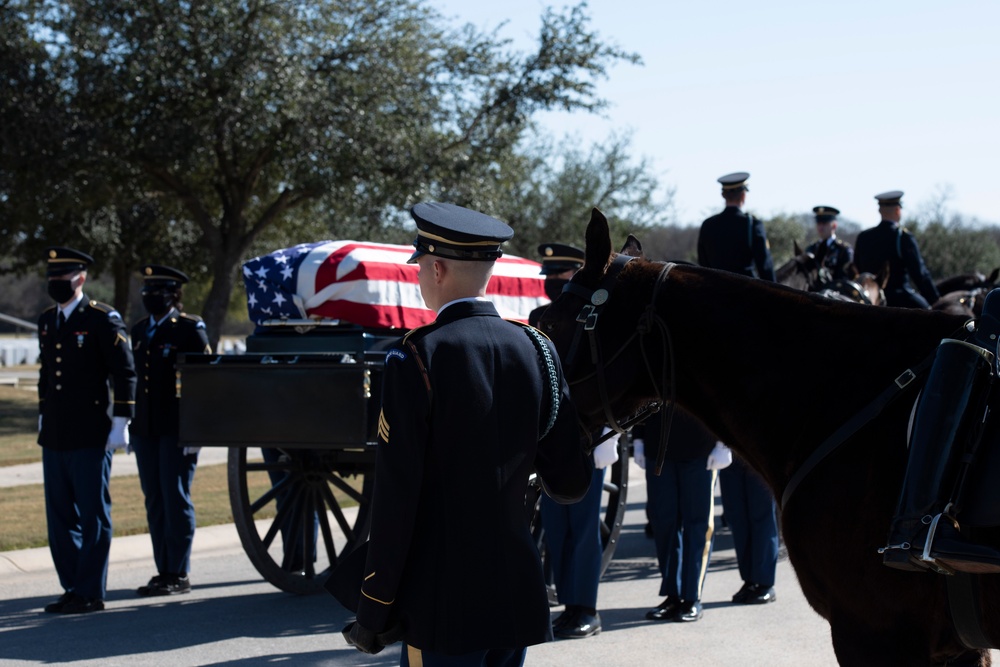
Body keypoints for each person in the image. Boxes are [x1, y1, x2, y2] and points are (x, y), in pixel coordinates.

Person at [340, 202, 593, 665]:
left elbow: (397, 499)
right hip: (514, 584)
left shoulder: (416, 357)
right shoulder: (537, 347)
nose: (417, 277)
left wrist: (372, 609)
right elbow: (571, 481)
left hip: (442, 597)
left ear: (436, 268)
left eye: (420, 267)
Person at [37, 247, 136, 614]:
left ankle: (91, 590)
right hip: (57, 434)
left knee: (93, 513)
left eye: (61, 278)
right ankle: (72, 585)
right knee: (59, 515)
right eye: (51, 277)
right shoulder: (48, 320)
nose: (55, 284)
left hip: (92, 433)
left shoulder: (101, 318)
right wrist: (42, 413)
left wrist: (122, 421)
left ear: (80, 279)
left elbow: (125, 372)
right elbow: (48, 374)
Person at [528, 242, 613, 639]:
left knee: (582, 526)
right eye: (548, 277)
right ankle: (567, 604)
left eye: (558, 277)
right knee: (558, 526)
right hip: (550, 438)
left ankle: (586, 608)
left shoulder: (593, 318)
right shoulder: (536, 318)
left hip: (586, 438)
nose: (551, 284)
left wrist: (609, 439)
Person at [130, 265, 212, 597]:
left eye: (158, 292)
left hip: (177, 429)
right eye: (147, 291)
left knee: (175, 496)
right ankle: (163, 568)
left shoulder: (190, 329)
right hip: (146, 428)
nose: (150, 297)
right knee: (154, 497)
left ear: (174, 295)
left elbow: (203, 382)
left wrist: (197, 430)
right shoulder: (139, 330)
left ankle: (179, 571)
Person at [633, 407, 731, 623]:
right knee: (664, 523)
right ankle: (673, 593)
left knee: (698, 525)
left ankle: (692, 596)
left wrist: (724, 442)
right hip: (658, 444)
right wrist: (638, 437)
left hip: (700, 445)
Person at [853, 191, 939, 308]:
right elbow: (919, 273)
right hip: (900, 299)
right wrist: (935, 300)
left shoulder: (863, 237)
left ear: (879, 210)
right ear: (898, 210)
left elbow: (856, 269)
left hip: (868, 299)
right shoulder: (903, 236)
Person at [697, 172, 776, 282]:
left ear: (723, 195)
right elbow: (765, 268)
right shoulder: (752, 225)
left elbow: (703, 264)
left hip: (714, 293)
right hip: (745, 293)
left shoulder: (708, 224)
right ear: (743, 195)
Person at [804, 206, 853, 281]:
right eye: (819, 223)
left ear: (834, 225)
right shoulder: (811, 249)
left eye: (824, 223)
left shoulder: (843, 250)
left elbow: (846, 277)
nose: (821, 227)